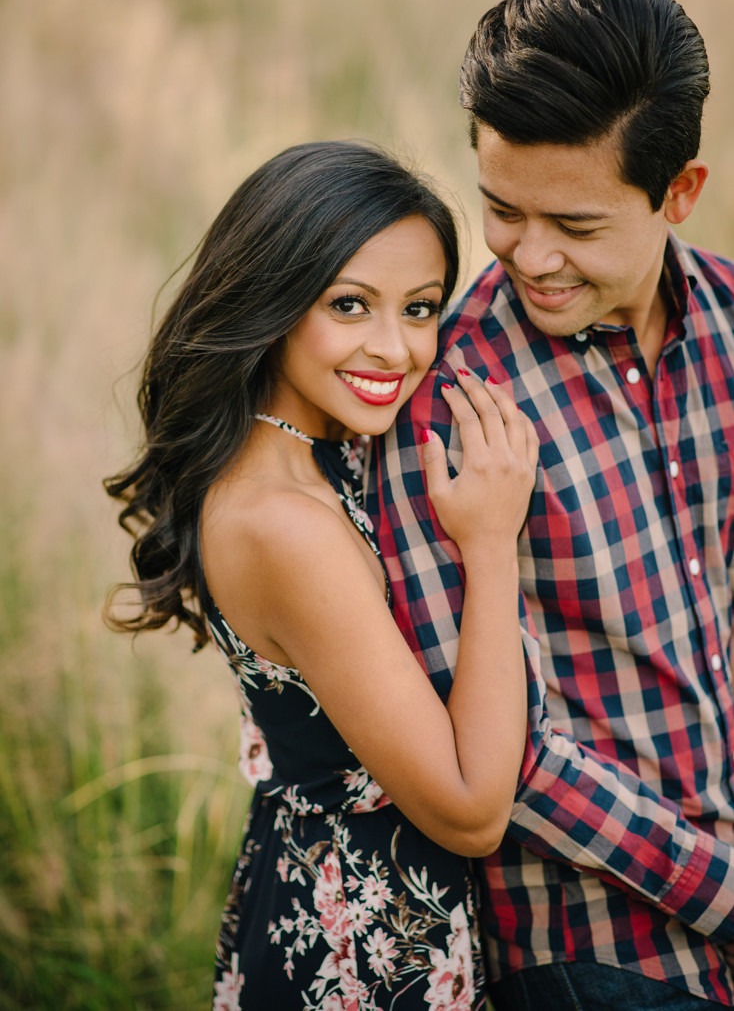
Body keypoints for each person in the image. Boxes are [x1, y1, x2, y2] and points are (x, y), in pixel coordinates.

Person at [370, 0, 734, 1009]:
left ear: (678, 193)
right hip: (596, 944)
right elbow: (503, 754)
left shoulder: (724, 329)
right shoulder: (441, 400)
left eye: (573, 226)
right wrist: (719, 889)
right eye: (498, 209)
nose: (528, 255)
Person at [103, 139, 538, 1009]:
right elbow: (469, 808)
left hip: (341, 905)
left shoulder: (320, 455)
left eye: (420, 309)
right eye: (350, 305)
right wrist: (491, 545)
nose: (395, 349)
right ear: (273, 303)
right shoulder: (284, 524)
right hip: (359, 958)